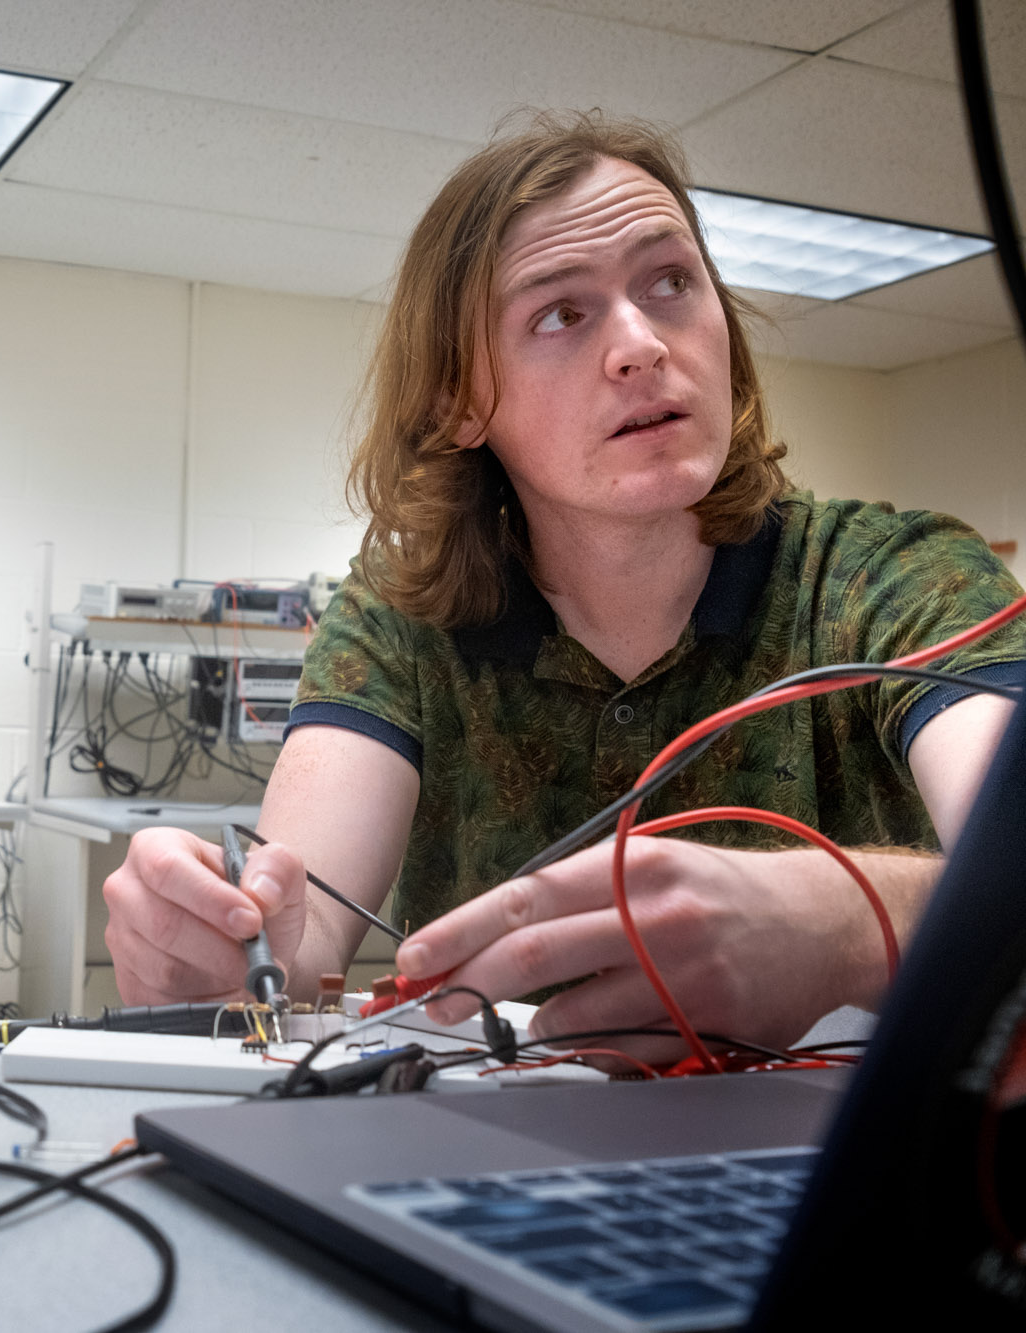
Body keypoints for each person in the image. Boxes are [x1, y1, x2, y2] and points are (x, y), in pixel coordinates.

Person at [103, 111, 1024, 1066]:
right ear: (462, 400)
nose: (640, 345)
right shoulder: (404, 616)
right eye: (560, 313)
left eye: (671, 281)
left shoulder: (895, 577)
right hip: (492, 1179)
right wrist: (236, 948)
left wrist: (847, 921)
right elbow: (301, 928)